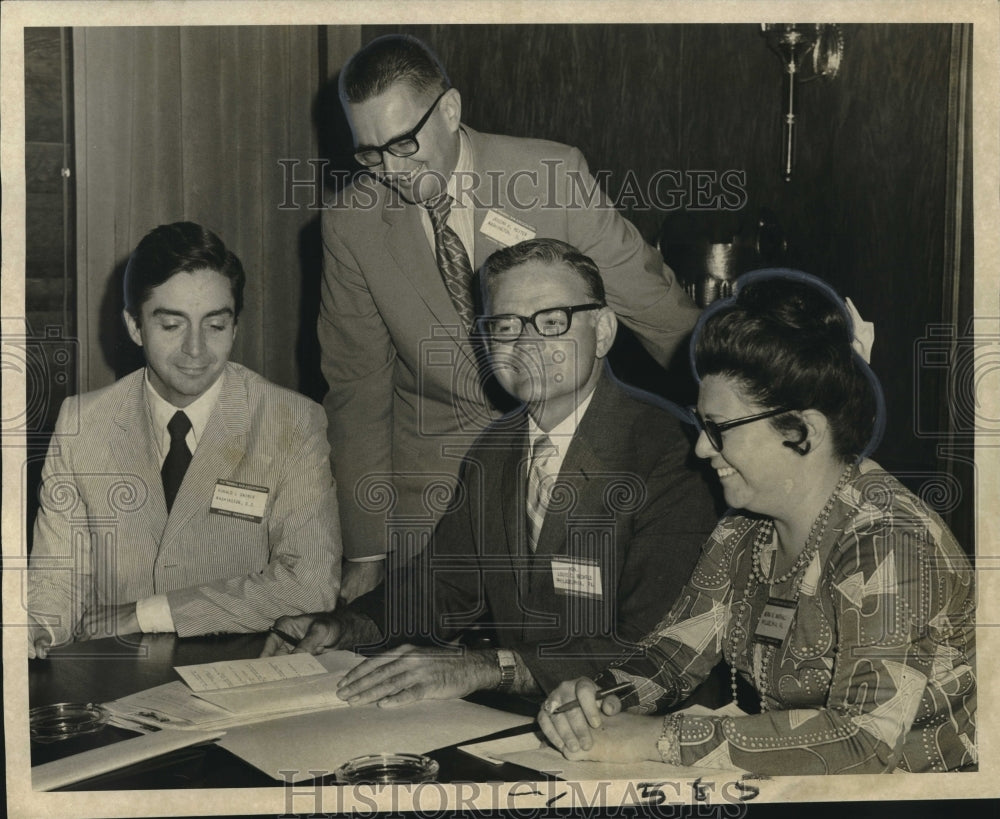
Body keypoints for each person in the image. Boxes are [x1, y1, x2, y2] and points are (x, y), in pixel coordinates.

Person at [538, 270, 976, 774]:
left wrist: (661, 738)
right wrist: (597, 700)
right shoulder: (743, 530)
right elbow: (669, 659)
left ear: (801, 431)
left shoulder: (890, 539)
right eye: (701, 425)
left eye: (718, 429)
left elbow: (865, 742)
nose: (701, 447)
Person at [320, 34, 701, 600]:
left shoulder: (552, 176)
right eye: (369, 152)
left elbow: (657, 310)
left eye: (402, 142)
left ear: (450, 110)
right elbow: (357, 390)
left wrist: (752, 396)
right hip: (432, 493)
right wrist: (367, 553)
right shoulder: (351, 222)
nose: (389, 169)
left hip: (567, 471)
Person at [262, 239, 717, 704]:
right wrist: (340, 626)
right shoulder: (495, 448)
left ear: (601, 331)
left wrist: (484, 668)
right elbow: (442, 585)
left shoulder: (670, 453)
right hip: (524, 722)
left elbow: (650, 646)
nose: (525, 344)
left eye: (552, 321)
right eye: (505, 326)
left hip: (639, 726)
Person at [27, 222, 342, 658]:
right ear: (135, 327)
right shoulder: (83, 421)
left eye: (215, 326)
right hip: (112, 673)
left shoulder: (292, 422)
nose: (195, 349)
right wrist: (40, 628)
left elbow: (310, 586)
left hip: (239, 671)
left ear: (235, 327)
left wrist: (148, 614)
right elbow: (58, 577)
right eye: (172, 326)